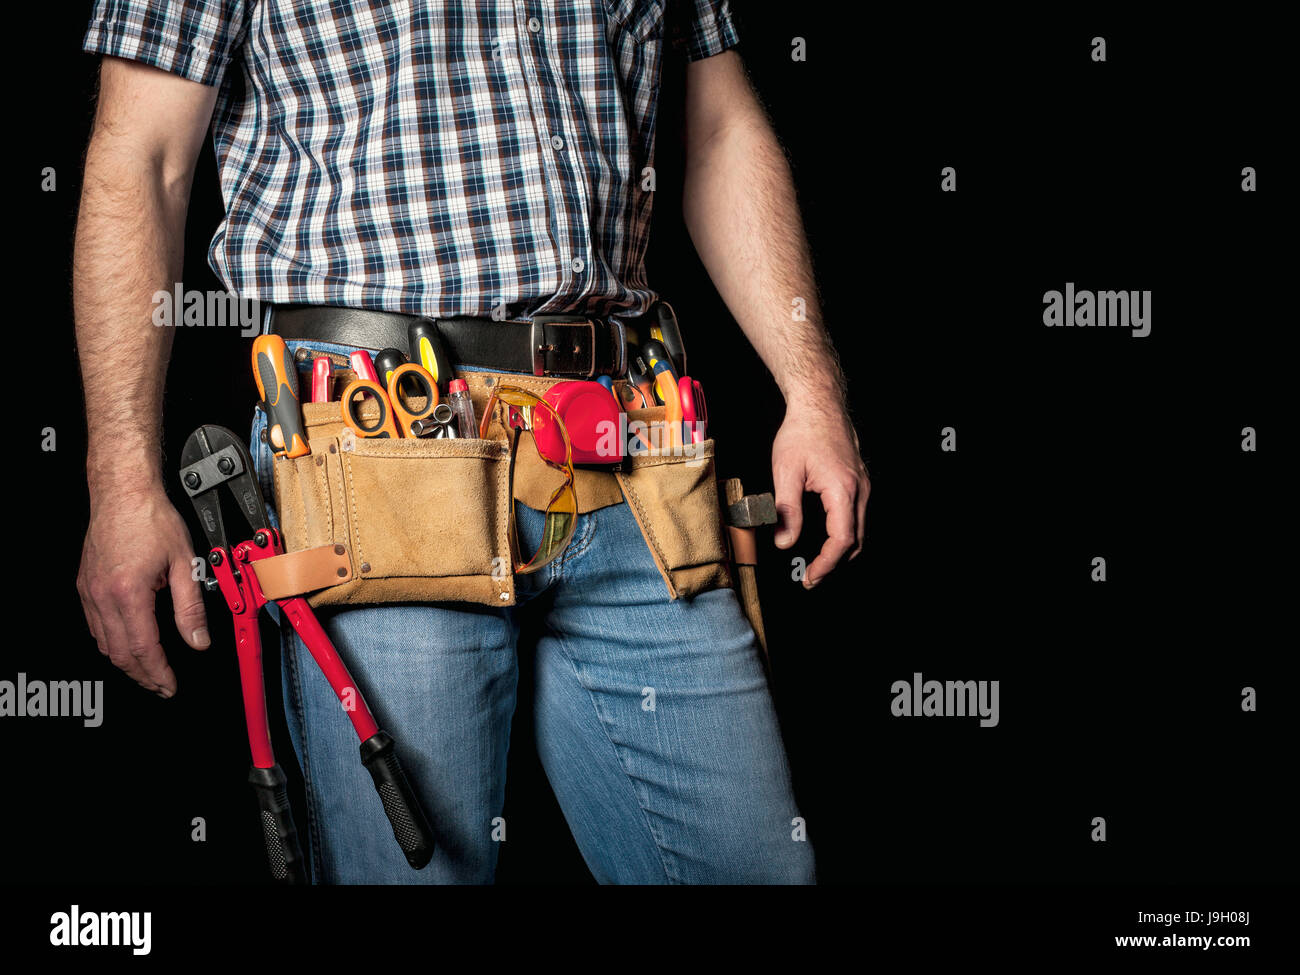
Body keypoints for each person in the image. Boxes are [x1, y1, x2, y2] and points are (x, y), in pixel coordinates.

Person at [74, 1, 869, 884]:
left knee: (754, 868)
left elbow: (721, 128)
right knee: (420, 872)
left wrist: (811, 388)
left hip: (629, 454)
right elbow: (140, 159)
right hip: (378, 463)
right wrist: (121, 481)